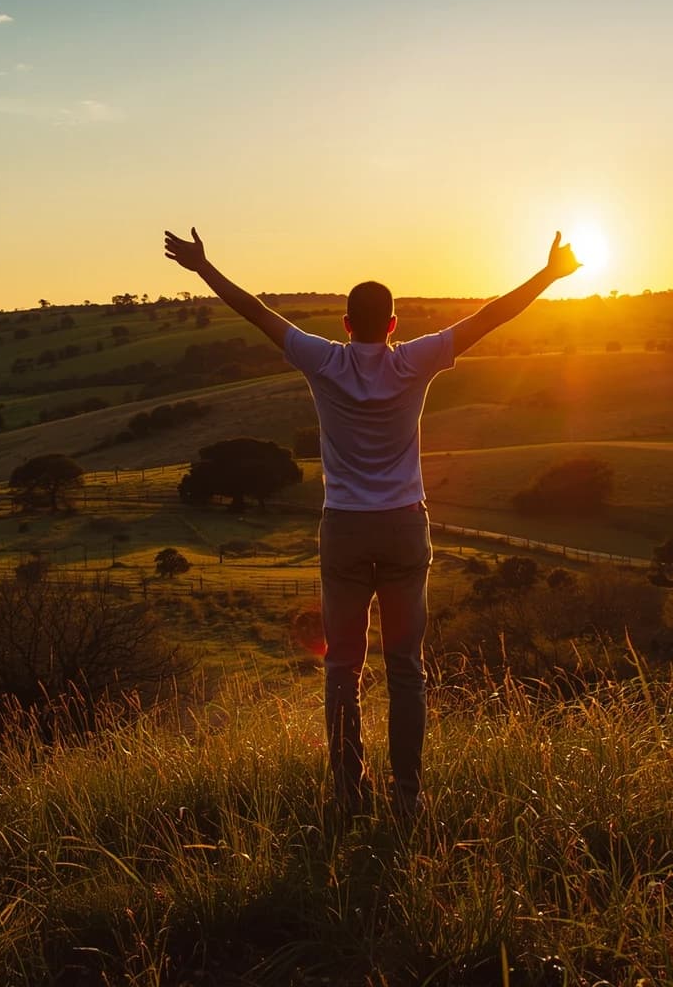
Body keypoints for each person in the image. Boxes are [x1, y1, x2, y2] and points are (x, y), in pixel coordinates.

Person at [164, 227, 580, 816]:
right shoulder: (415, 359)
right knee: (406, 667)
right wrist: (547, 276)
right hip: (406, 526)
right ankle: (407, 798)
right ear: (391, 324)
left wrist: (204, 268)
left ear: (345, 322)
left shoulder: (322, 359)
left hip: (345, 530)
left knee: (342, 668)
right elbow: (490, 317)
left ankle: (348, 796)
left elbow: (256, 312)